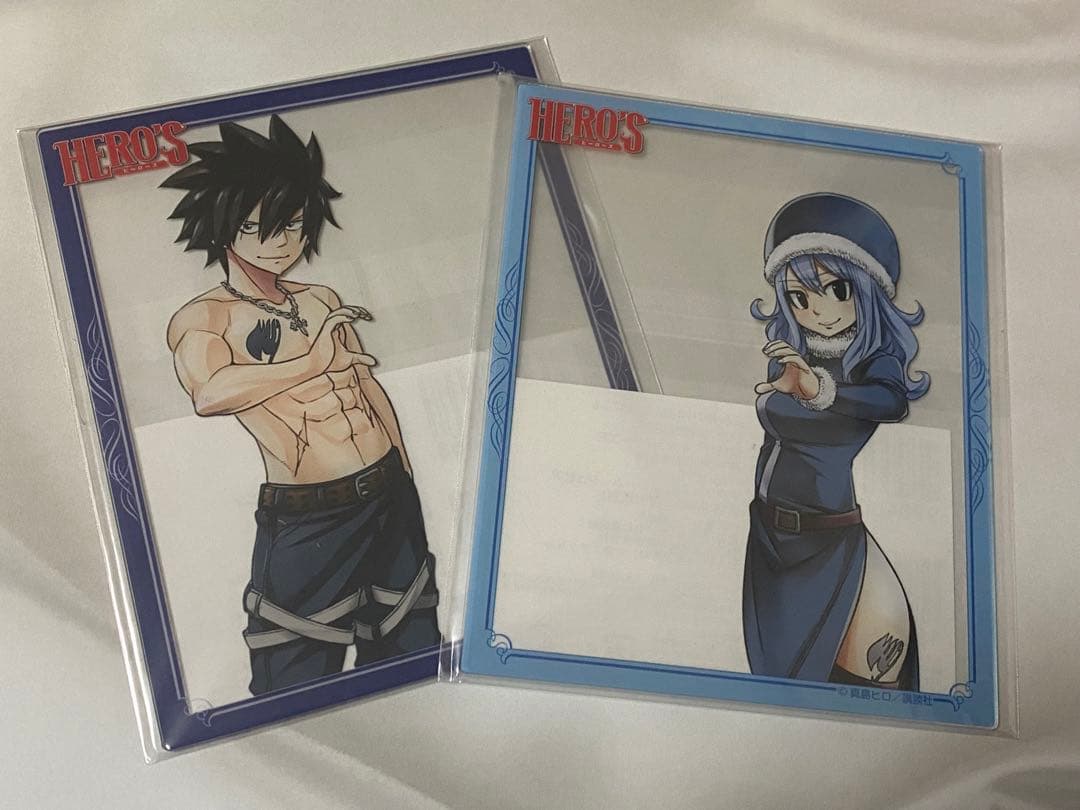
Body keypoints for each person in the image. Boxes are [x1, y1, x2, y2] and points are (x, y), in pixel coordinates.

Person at [163, 115, 439, 695]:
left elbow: (366, 388)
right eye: (261, 226)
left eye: (292, 224)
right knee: (294, 681)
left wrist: (407, 472)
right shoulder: (205, 317)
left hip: (389, 494)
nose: (283, 241)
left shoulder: (321, 299)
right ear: (224, 228)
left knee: (414, 658)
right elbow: (209, 394)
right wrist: (312, 363)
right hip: (310, 515)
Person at [743, 193, 929, 690]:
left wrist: (820, 390)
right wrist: (795, 383)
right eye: (799, 297)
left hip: (827, 540)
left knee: (856, 683)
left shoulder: (873, 363)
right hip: (770, 540)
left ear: (865, 287)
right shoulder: (791, 355)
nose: (818, 311)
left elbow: (891, 402)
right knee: (776, 682)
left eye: (836, 289)